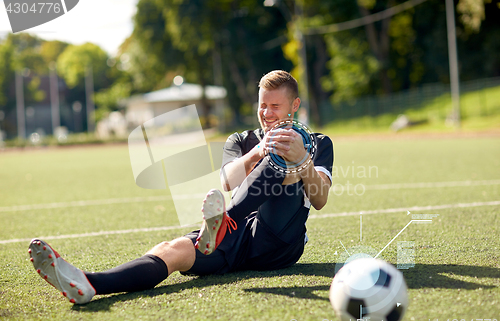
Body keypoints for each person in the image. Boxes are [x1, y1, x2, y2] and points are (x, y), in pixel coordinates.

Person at [28, 70, 333, 304]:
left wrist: (303, 161)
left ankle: (223, 224)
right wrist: (258, 151)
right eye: (262, 106)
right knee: (172, 250)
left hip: (277, 241)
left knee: (285, 157)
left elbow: (319, 200)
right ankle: (89, 283)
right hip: (234, 239)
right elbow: (227, 180)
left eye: (275, 106)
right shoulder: (240, 140)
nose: (266, 113)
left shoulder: (319, 143)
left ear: (294, 105)